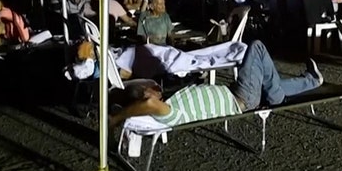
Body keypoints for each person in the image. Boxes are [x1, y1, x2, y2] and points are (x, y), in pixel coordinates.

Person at [109, 40, 324, 128]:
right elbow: (148, 104)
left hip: (236, 93)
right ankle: (276, 95)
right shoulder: (171, 113)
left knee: (271, 86)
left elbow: (146, 99)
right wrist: (117, 117)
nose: (153, 87)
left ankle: (312, 80)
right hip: (241, 98)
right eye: (148, 88)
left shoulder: (172, 102)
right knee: (256, 47)